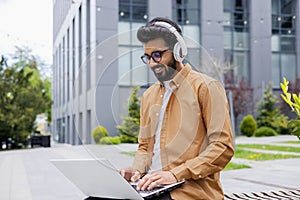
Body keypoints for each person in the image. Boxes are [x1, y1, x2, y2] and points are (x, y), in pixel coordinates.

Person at [120, 17, 234, 200]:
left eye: (157, 55)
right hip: (151, 188)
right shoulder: (149, 96)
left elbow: (222, 147)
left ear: (178, 51)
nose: (151, 63)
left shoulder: (207, 87)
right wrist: (137, 171)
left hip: (190, 192)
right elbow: (144, 147)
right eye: (147, 57)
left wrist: (175, 174)